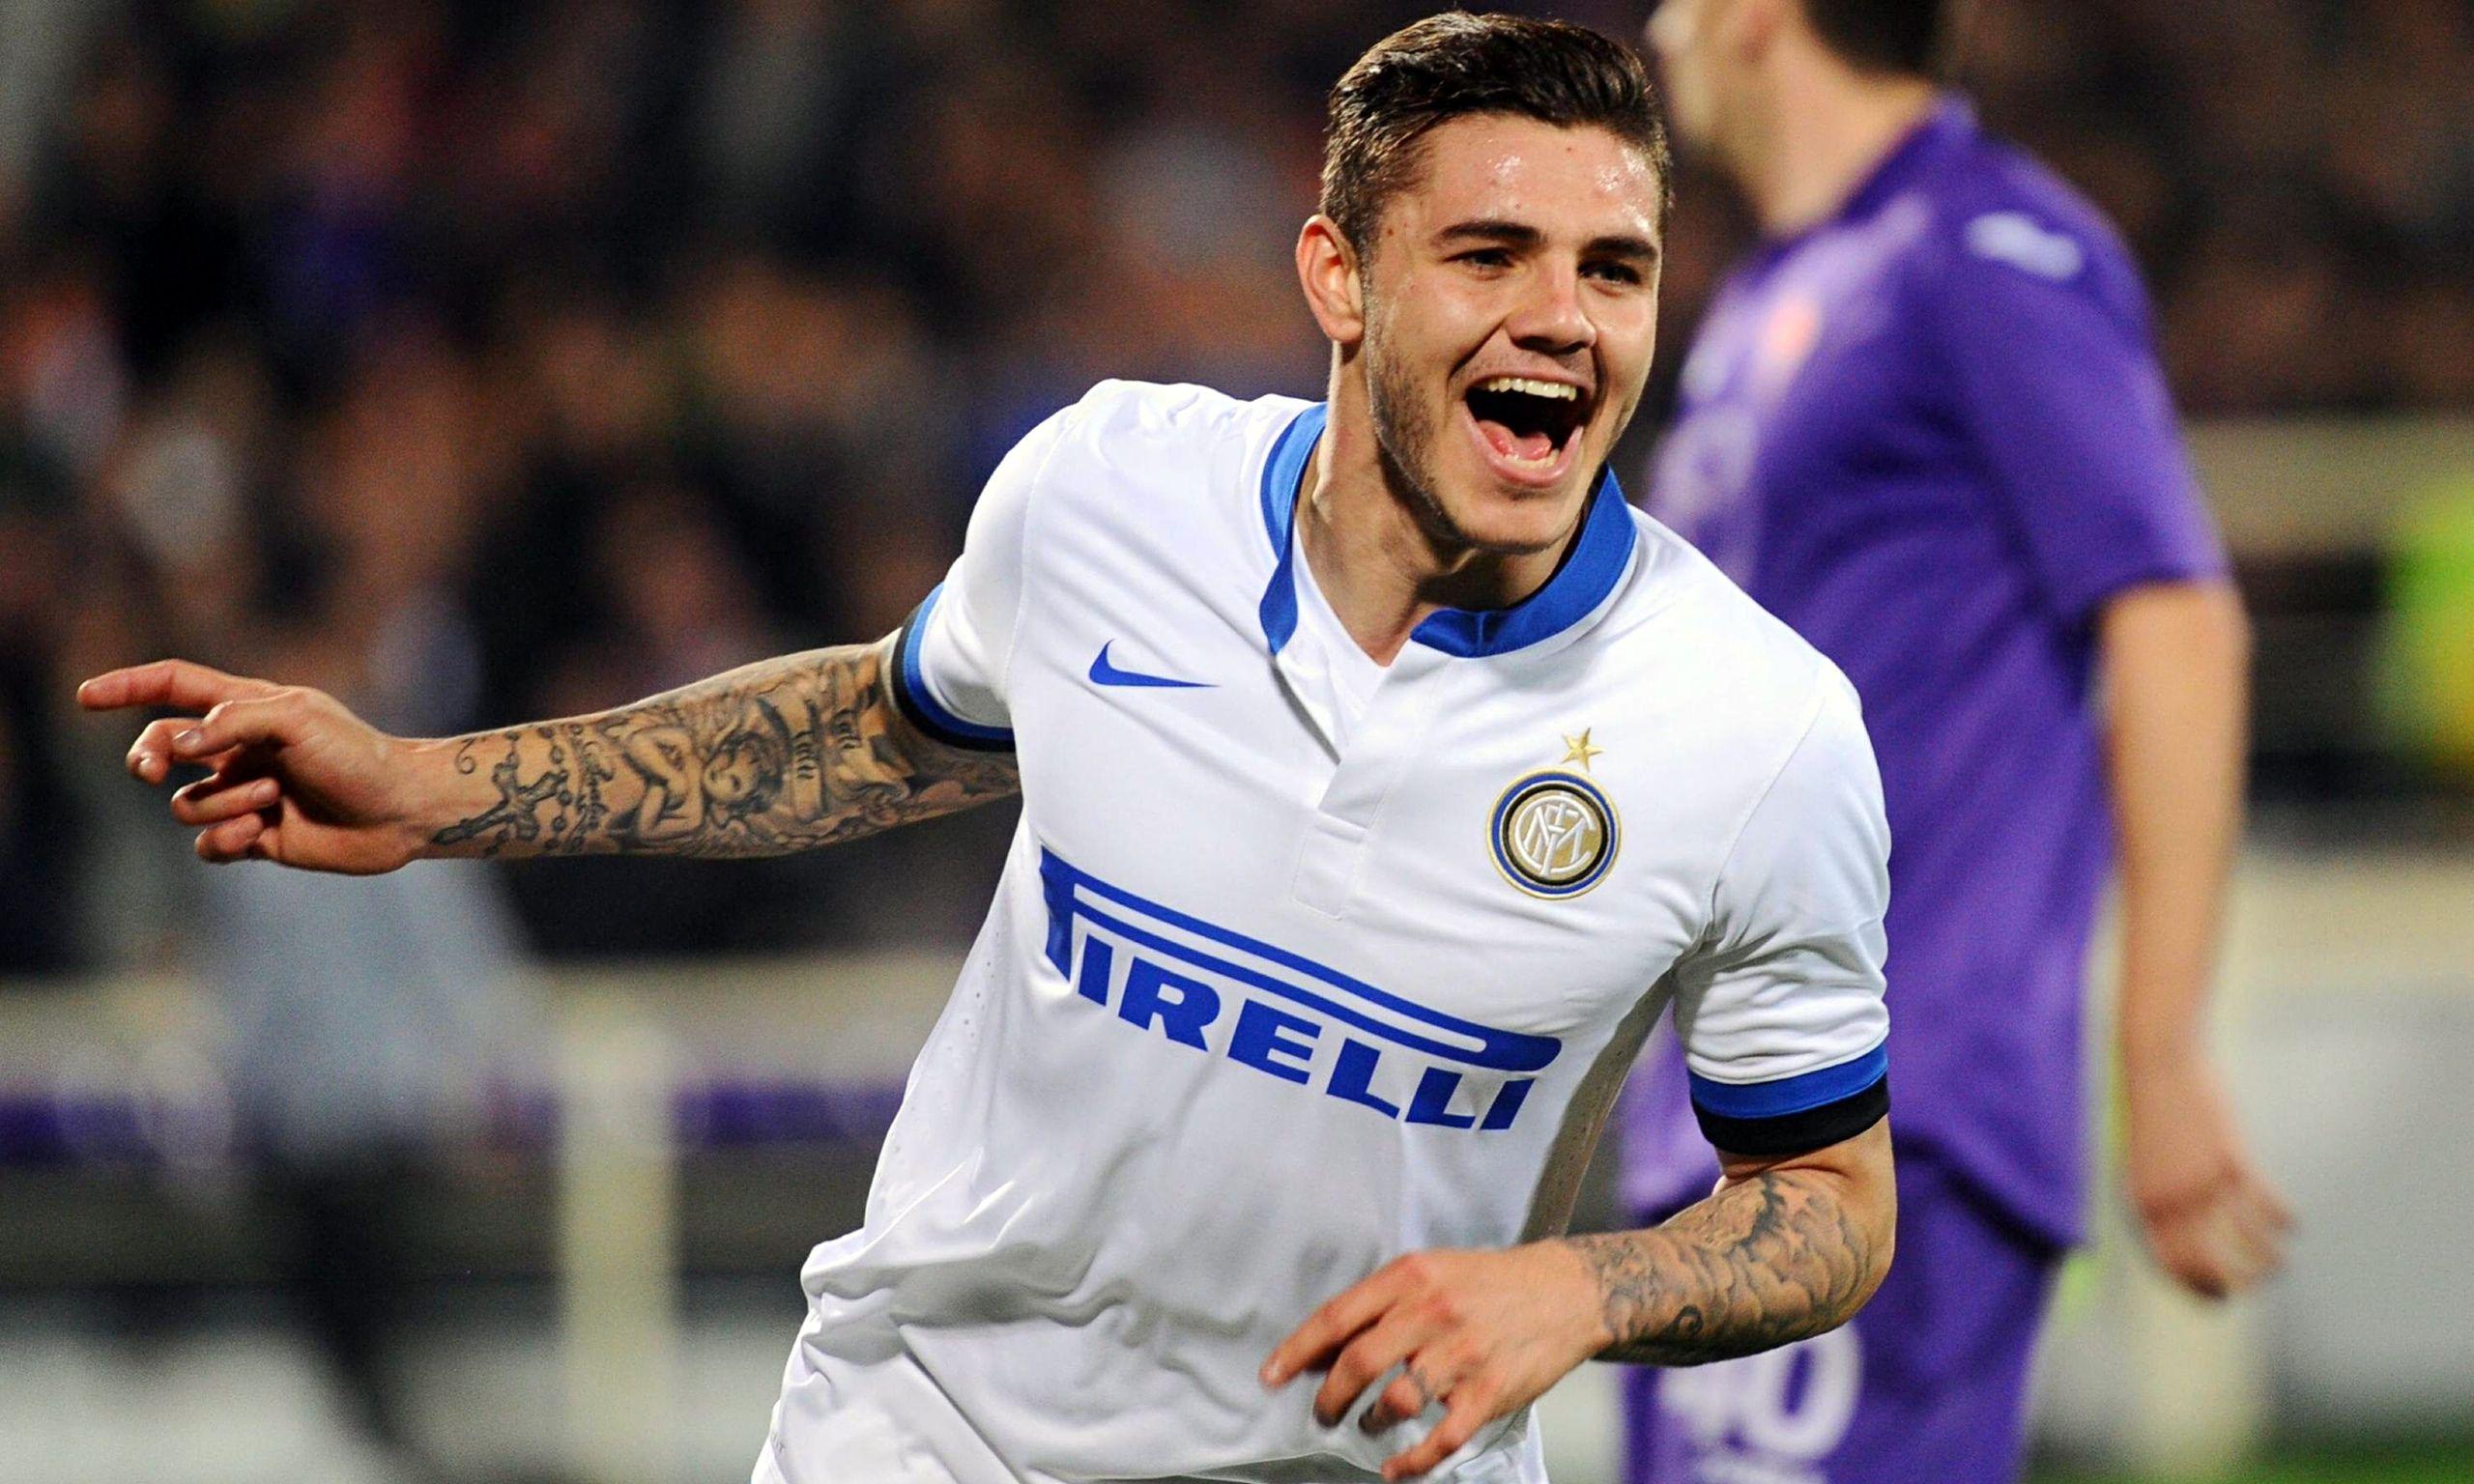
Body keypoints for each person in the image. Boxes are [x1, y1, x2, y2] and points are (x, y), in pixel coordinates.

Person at [85, 16, 1902, 1484]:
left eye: (1614, 268)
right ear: (1339, 278)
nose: (1562, 317)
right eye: (1490, 254)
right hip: (924, 1435)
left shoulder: (1754, 734)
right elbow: (881, 728)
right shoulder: (1107, 493)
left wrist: (1577, 1291)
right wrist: (435, 788)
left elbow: (1827, 1200)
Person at [1618, 3, 2293, 1482]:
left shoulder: (1985, 250)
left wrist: (2161, 1049)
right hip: (1725, 1113)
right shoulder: (1773, 294)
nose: (1662, 29)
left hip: (1884, 1111)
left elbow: (2174, 616)